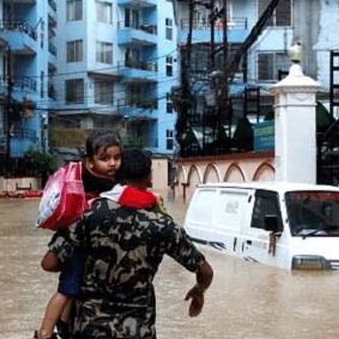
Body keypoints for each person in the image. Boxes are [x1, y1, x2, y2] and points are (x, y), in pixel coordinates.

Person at [41, 149, 214, 339]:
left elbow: (49, 263)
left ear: (116, 177)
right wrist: (199, 290)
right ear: (149, 178)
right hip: (138, 331)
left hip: (88, 329)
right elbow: (205, 271)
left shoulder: (88, 214)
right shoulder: (163, 225)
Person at [36, 131, 122, 339]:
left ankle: (63, 326)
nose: (112, 163)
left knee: (72, 288)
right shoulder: (101, 181)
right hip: (77, 245)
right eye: (105, 159)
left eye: (116, 158)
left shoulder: (89, 176)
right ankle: (44, 333)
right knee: (67, 290)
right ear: (90, 162)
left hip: (77, 242)